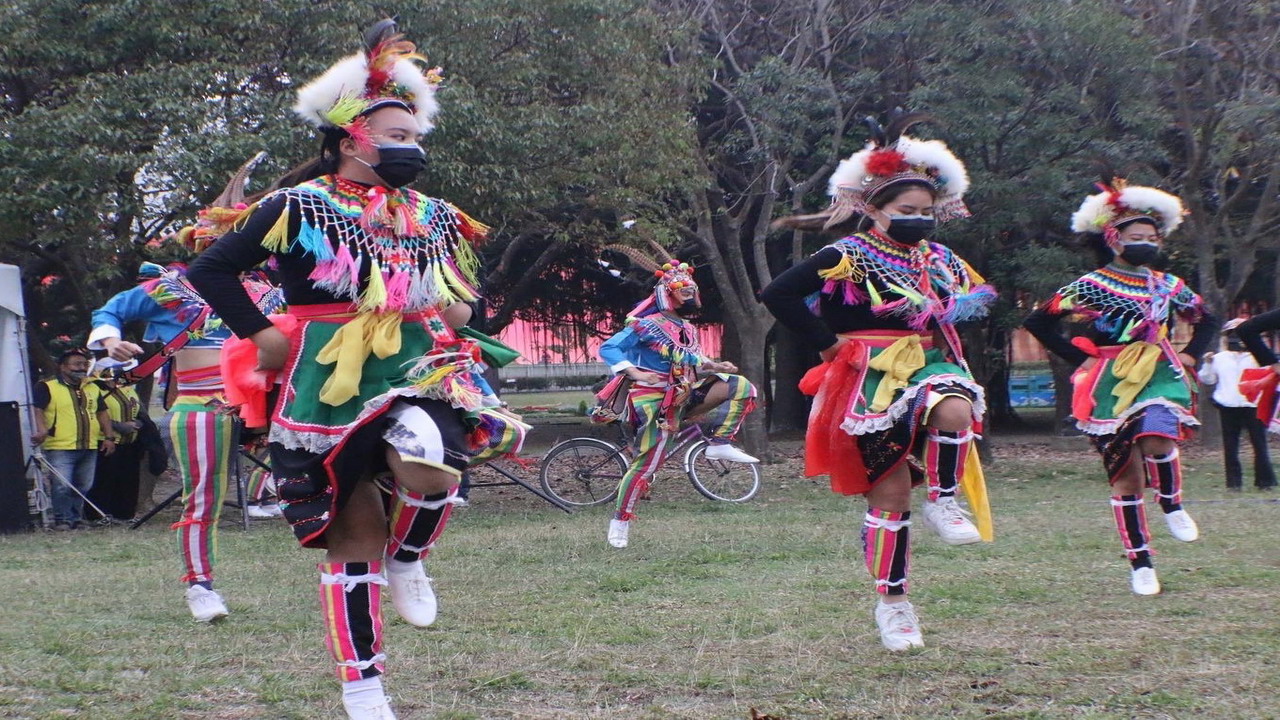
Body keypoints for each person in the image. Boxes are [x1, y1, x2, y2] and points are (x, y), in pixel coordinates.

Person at [187, 21, 518, 719]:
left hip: (416, 359)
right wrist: (259, 336)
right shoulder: (297, 205)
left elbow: (462, 299)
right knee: (354, 534)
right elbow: (213, 268)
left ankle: (411, 557)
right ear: (347, 141)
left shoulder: (434, 216)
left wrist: (456, 306)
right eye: (394, 135)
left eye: (413, 135)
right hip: (320, 373)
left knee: (430, 458)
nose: (410, 148)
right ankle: (363, 684)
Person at [760, 114, 995, 651]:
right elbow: (778, 294)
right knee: (889, 500)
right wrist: (826, 342)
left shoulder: (940, 260)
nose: (918, 219)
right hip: (867, 375)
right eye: (905, 211)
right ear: (873, 208)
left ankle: (943, 497)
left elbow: (976, 299)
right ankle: (894, 605)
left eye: (926, 212)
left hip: (927, 364)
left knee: (955, 407)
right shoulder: (847, 255)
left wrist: (944, 309)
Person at [1024, 176, 1216, 596]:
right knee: (1126, 479)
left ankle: (1171, 501)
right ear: (1114, 239)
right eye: (1136, 236)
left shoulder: (1168, 285)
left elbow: (1207, 317)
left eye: (1152, 237)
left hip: (1158, 370)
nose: (1146, 243)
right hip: (1106, 382)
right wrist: (1081, 357)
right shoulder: (1090, 286)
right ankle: (1140, 561)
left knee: (1159, 439)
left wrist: (1190, 353)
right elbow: (1038, 320)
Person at [90, 257, 283, 620]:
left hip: (265, 402)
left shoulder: (268, 293)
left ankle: (362, 562)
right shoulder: (172, 290)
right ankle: (200, 586)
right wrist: (111, 341)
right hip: (202, 403)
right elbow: (111, 310)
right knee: (204, 496)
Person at [596, 245, 758, 549]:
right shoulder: (646, 325)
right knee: (649, 463)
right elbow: (609, 348)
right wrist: (636, 373)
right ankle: (620, 519)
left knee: (743, 388)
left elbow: (688, 360)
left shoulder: (686, 328)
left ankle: (720, 444)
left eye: (692, 290)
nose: (690, 296)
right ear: (667, 293)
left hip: (684, 392)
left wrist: (714, 366)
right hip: (654, 399)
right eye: (683, 291)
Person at [30, 348, 117, 530]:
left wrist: (109, 437)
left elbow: (102, 413)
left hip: (89, 444)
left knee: (83, 485)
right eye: (77, 364)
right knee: (62, 485)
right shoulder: (46, 386)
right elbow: (36, 409)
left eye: (85, 364)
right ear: (63, 367)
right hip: (60, 445)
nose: (82, 368)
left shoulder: (92, 387)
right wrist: (42, 429)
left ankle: (76, 518)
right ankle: (62, 520)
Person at [1199, 319, 1276, 492]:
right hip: (1228, 405)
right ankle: (1234, 484)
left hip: (1253, 405)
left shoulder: (1259, 357)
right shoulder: (1219, 358)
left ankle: (1265, 482)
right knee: (1230, 446)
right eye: (1231, 333)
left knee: (1259, 444)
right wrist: (1208, 364)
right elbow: (1208, 379)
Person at [85, 368, 146, 522]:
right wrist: (118, 427)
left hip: (130, 442)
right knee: (104, 480)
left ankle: (124, 514)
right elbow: (92, 413)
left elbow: (139, 411)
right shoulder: (94, 388)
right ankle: (98, 515)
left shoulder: (127, 388)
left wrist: (137, 424)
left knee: (127, 481)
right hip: (106, 441)